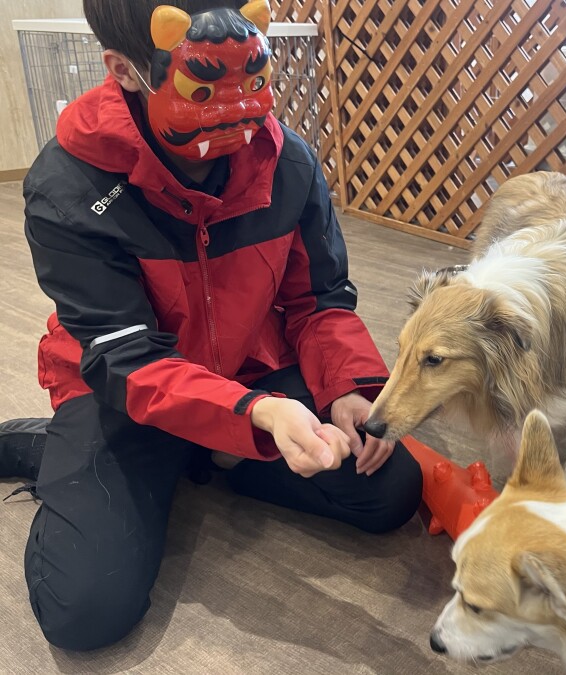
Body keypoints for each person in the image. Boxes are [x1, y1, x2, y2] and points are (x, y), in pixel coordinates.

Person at [0, 0, 422, 652]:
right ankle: (61, 446)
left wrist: (348, 386)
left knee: (388, 490)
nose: (240, 108)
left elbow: (320, 299)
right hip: (123, 391)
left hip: (248, 367)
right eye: (204, 84)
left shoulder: (288, 162)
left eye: (253, 76)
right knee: (85, 609)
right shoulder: (70, 185)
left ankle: (199, 450)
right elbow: (125, 358)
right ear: (125, 69)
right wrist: (258, 415)